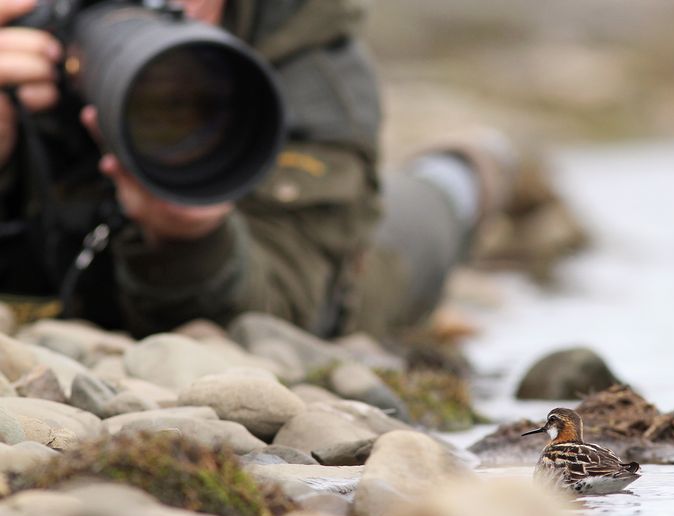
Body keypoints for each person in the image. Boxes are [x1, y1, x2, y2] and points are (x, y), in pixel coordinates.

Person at [0, 0, 553, 339]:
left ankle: (480, 167)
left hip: (313, 249)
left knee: (419, 220)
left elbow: (286, 312)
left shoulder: (310, 65)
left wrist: (189, 235)